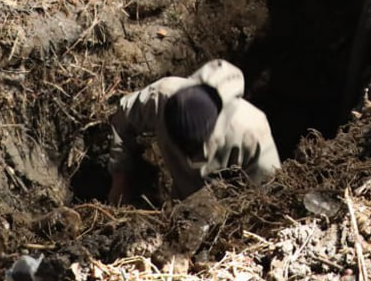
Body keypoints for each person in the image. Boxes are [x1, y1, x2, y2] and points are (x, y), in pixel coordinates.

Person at [108, 59, 280, 203]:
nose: (186, 155)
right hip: (180, 202)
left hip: (225, 208)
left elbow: (268, 193)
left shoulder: (251, 131)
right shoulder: (160, 96)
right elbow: (122, 121)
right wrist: (120, 178)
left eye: (191, 149)